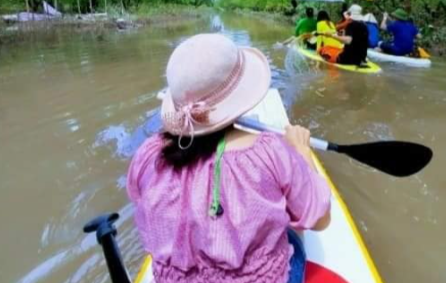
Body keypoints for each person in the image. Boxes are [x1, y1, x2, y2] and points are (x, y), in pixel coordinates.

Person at [128, 34, 331, 283]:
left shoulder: (148, 155)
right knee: (294, 230)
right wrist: (302, 151)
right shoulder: (269, 152)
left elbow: (142, 200)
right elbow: (320, 220)